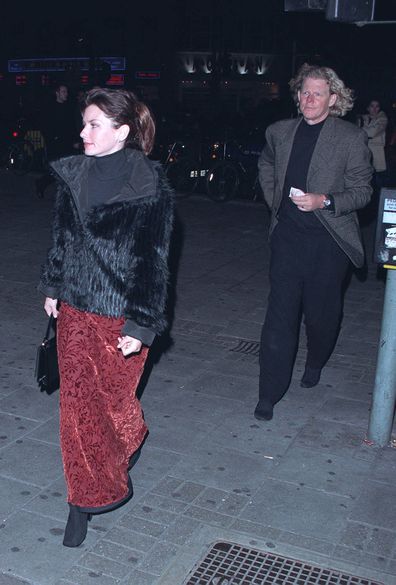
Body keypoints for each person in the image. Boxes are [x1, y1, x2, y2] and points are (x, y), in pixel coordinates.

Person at [38, 88, 174, 547]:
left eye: (93, 124)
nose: (83, 133)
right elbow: (60, 238)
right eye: (84, 123)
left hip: (120, 315)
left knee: (116, 404)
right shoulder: (72, 175)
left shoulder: (148, 184)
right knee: (77, 411)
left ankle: (131, 438)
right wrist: (53, 287)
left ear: (122, 131)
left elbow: (153, 262)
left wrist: (142, 325)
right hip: (76, 307)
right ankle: (84, 500)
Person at [254, 63, 373, 422]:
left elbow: (363, 191)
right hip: (288, 237)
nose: (309, 98)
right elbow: (266, 163)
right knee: (280, 315)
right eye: (304, 91)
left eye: (317, 93)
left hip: (328, 242)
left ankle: (316, 359)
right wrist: (275, 198)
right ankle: (268, 393)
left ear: (333, 99)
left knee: (322, 315)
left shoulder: (350, 138)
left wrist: (325, 201)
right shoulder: (279, 131)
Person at [36, 83, 79, 197]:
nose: (66, 94)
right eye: (64, 92)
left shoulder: (68, 108)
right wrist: (51, 138)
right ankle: (42, 183)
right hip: (55, 143)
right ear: (57, 93)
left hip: (67, 143)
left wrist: (75, 140)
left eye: (66, 92)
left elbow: (71, 126)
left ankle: (65, 194)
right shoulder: (49, 108)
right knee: (56, 170)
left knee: (67, 168)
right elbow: (45, 126)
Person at [360, 99, 388, 192]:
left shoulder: (382, 118)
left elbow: (372, 132)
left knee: (378, 183)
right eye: (372, 106)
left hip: (377, 153)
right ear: (368, 108)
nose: (375, 109)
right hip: (362, 152)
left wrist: (361, 129)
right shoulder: (362, 118)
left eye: (377, 106)